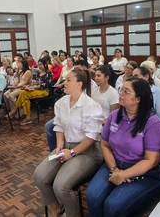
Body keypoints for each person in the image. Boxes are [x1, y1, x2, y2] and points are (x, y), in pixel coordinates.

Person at [86, 78, 160, 217]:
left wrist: (123, 175)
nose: (121, 93)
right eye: (121, 89)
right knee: (92, 196)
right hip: (115, 163)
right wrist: (115, 169)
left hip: (145, 173)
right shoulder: (114, 116)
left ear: (138, 99)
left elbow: (151, 160)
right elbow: (104, 144)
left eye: (126, 91)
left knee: (113, 205)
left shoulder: (152, 123)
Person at [33, 69, 104, 217]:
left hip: (88, 152)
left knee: (60, 186)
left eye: (68, 80)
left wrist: (71, 153)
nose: (64, 82)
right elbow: (59, 127)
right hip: (66, 146)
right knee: (39, 176)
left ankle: (73, 213)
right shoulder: (61, 103)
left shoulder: (90, 105)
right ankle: (55, 206)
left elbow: (91, 138)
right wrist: (59, 146)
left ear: (79, 84)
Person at [9, 59, 52, 125]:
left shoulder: (48, 73)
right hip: (36, 89)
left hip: (44, 91)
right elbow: (35, 83)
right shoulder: (39, 73)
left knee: (23, 93)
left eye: (41, 64)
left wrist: (32, 87)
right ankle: (28, 117)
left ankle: (15, 109)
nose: (39, 66)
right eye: (38, 64)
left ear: (45, 64)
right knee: (25, 97)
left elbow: (44, 85)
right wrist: (28, 87)